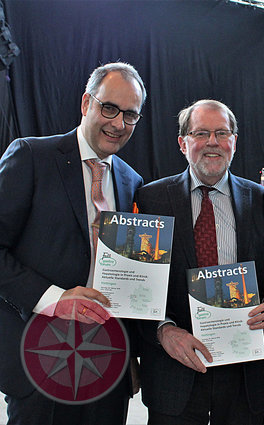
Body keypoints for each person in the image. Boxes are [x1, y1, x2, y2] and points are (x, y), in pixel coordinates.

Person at [0, 62, 146, 424]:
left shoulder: (131, 181)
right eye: (109, 108)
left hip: (107, 367)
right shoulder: (31, 157)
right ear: (86, 103)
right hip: (37, 361)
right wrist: (55, 299)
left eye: (130, 115)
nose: (117, 124)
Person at [135, 99, 264, 425]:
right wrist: (162, 331)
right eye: (201, 133)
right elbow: (137, 288)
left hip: (246, 370)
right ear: (182, 142)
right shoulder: (149, 199)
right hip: (175, 368)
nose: (212, 142)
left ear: (234, 141)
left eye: (221, 133)